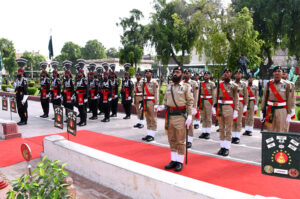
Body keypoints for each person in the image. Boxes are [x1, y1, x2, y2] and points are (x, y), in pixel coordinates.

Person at [162, 66, 193, 172]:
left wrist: (189, 115)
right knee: (172, 140)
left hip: (180, 116)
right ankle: (173, 160)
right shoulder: (169, 86)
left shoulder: (186, 87)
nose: (175, 74)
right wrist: (163, 106)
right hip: (170, 116)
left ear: (182, 74)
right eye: (174, 72)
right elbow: (165, 100)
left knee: (180, 140)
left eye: (178, 72)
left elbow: (190, 101)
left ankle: (180, 161)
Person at [261, 66, 292, 132]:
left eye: (279, 71)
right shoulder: (269, 84)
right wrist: (262, 110)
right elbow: (264, 97)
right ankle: (271, 142)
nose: (277, 73)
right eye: (275, 71)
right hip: (270, 109)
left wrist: (289, 113)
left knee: (281, 129)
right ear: (273, 73)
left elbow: (289, 99)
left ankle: (280, 143)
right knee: (270, 129)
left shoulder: (287, 84)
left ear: (281, 73)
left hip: (281, 109)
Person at [215, 68, 239, 156]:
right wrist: (214, 106)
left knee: (228, 128)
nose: (226, 74)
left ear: (231, 74)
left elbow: (236, 98)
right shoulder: (219, 84)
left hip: (229, 107)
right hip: (220, 107)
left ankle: (227, 147)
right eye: (225, 72)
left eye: (228, 72)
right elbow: (216, 95)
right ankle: (222, 146)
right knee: (221, 128)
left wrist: (236, 109)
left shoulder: (234, 85)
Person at [141, 69, 159, 142]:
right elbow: (142, 93)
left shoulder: (154, 82)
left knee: (153, 118)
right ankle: (149, 133)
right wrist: (141, 103)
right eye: (146, 73)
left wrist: (156, 104)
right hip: (145, 101)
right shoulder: (144, 82)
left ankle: (152, 135)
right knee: (147, 118)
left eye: (148, 73)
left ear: (151, 74)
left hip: (152, 102)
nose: (146, 74)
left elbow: (156, 93)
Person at [183, 69, 199, 148]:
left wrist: (195, 107)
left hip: (190, 105)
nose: (186, 74)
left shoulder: (194, 83)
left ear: (190, 74)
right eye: (185, 73)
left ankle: (189, 140)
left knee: (190, 124)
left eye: (188, 73)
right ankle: (184, 139)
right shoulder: (181, 83)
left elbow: (195, 96)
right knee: (182, 123)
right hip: (182, 105)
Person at [231, 69, 248, 144]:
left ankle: (237, 136)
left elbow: (246, 95)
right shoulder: (231, 83)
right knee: (232, 120)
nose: (238, 75)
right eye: (236, 73)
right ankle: (233, 136)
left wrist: (246, 105)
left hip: (240, 102)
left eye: (239, 73)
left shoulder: (244, 84)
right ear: (234, 75)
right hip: (232, 102)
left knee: (238, 120)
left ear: (241, 75)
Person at [198, 71, 216, 139]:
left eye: (207, 75)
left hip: (209, 102)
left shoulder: (212, 83)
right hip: (202, 101)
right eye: (205, 75)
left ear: (210, 76)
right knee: (203, 117)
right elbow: (199, 93)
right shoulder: (201, 83)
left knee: (208, 117)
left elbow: (214, 94)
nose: (206, 76)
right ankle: (204, 131)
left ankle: (208, 132)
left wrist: (213, 104)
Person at [282, 67, 296, 132]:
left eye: (284, 73)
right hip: (277, 106)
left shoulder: (291, 84)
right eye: (282, 73)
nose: (283, 75)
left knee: (286, 124)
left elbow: (293, 97)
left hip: (287, 107)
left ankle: (284, 138)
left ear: (287, 74)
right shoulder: (274, 83)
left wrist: (292, 108)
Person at [15, 58, 28, 125]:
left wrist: (24, 99)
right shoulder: (17, 80)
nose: (18, 73)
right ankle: (21, 119)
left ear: (22, 73)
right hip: (18, 97)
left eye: (19, 72)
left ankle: (24, 121)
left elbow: (26, 91)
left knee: (23, 109)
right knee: (19, 109)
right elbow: (16, 89)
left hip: (23, 97)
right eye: (18, 72)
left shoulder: (24, 80)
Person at [75, 59, 88, 126]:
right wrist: (75, 95)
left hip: (83, 97)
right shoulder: (77, 80)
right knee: (80, 109)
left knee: (83, 110)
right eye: (78, 73)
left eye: (79, 73)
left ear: (82, 74)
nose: (78, 74)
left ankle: (84, 121)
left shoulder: (84, 80)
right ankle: (81, 121)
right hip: (79, 96)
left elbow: (86, 88)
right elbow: (77, 88)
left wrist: (86, 97)